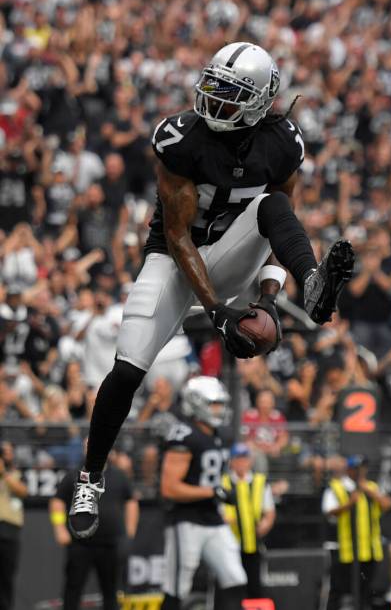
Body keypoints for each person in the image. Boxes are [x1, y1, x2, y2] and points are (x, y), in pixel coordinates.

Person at [69, 41, 354, 538]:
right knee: (126, 369)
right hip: (175, 261)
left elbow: (276, 225)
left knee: (270, 206)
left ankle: (311, 283)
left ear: (261, 102)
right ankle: (91, 476)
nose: (213, 99)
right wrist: (218, 310)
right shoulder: (183, 139)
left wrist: (268, 297)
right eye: (214, 85)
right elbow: (178, 235)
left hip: (236, 256)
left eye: (230, 92)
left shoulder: (283, 143)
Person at [159, 376, 247, 610]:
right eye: (214, 404)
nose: (220, 409)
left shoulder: (215, 434)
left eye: (220, 404)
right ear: (197, 404)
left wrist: (217, 494)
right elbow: (169, 488)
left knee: (235, 579)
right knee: (177, 588)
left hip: (212, 519)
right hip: (186, 521)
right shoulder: (184, 435)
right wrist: (213, 492)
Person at [49, 450, 139, 610]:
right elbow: (58, 502)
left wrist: (130, 530)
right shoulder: (74, 475)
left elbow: (131, 502)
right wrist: (59, 528)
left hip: (110, 544)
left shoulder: (119, 476)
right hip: (80, 543)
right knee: (73, 589)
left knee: (111, 591)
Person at [322, 455, 391, 610]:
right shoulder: (337, 487)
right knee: (338, 592)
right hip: (344, 551)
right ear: (349, 470)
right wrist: (349, 504)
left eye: (363, 468)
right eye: (358, 469)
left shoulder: (371, 487)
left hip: (369, 550)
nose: (361, 472)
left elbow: (387, 504)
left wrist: (369, 491)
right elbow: (328, 511)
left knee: (366, 592)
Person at [221, 442, 276, 599]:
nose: (241, 463)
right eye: (237, 459)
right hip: (229, 546)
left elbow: (269, 511)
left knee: (254, 587)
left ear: (250, 461)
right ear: (231, 461)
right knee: (231, 589)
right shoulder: (224, 483)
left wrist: (265, 524)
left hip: (253, 544)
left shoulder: (259, 482)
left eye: (244, 458)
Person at [0, 441, 28, 610]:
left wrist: (3, 473)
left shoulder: (18, 473)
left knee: (6, 578)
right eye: (4, 451)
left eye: (10, 451)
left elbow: (23, 491)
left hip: (9, 532)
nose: (7, 453)